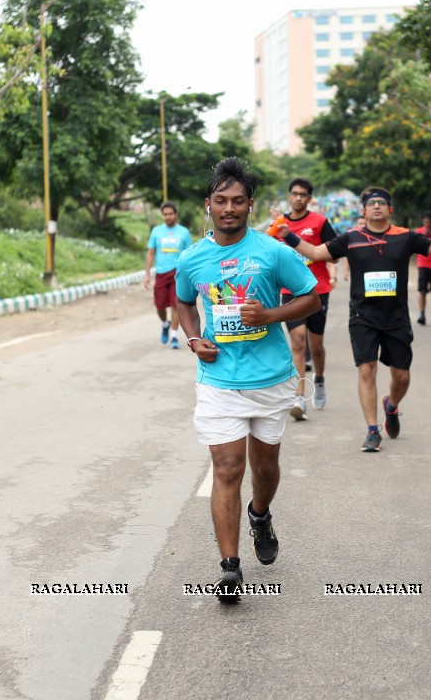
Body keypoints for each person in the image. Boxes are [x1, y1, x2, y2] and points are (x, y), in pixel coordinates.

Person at [175, 157, 319, 601]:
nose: (229, 208)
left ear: (250, 206)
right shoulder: (192, 259)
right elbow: (183, 304)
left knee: (265, 469)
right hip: (218, 380)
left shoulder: (273, 252)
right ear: (208, 205)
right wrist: (195, 338)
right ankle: (230, 567)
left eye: (238, 201)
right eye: (221, 201)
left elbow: (311, 297)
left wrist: (272, 314)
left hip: (271, 379)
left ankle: (260, 514)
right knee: (228, 467)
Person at [277, 187, 431, 452]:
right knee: (366, 369)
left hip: (396, 318)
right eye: (371, 204)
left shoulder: (405, 237)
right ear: (363, 211)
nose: (376, 207)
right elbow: (316, 254)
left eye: (381, 203)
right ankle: (372, 430)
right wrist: (287, 235)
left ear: (389, 210)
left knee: (402, 376)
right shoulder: (351, 238)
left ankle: (391, 406)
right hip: (363, 316)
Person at [267, 178, 338, 417]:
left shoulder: (320, 222)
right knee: (297, 342)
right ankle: (299, 397)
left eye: (303, 195)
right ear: (289, 196)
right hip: (290, 292)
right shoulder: (279, 223)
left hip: (318, 291)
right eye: (295, 194)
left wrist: (306, 250)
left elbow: (334, 256)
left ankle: (319, 379)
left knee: (315, 346)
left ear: (309, 199)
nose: (298, 198)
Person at [144, 202, 193, 350]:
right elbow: (151, 252)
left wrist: (190, 275)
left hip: (178, 274)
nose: (168, 217)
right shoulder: (156, 231)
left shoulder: (183, 232)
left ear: (175, 214)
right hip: (161, 273)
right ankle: (165, 324)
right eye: (165, 214)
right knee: (159, 305)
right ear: (162, 215)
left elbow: (189, 255)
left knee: (175, 305)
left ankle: (173, 336)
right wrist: (147, 273)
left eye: (171, 214)